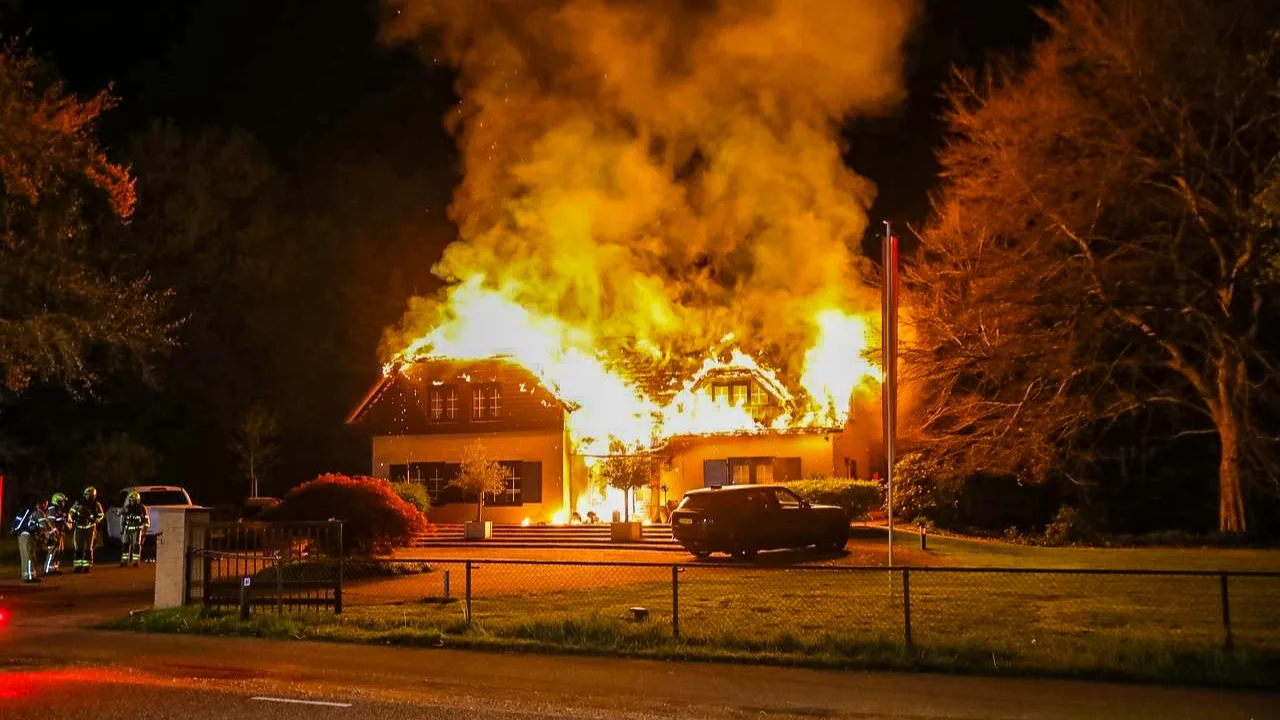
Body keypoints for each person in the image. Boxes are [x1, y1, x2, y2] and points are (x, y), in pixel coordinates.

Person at [11, 495, 51, 583]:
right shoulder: (36, 512)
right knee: (30, 556)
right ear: (42, 504)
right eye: (46, 504)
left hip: (21, 535)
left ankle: (26, 575)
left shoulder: (24, 511)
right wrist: (47, 533)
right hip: (28, 536)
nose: (46, 507)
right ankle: (30, 576)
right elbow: (43, 525)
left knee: (25, 556)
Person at [69, 486, 105, 573]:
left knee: (88, 548)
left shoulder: (96, 504)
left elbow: (101, 515)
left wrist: (96, 519)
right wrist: (71, 518)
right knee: (78, 548)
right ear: (84, 495)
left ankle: (87, 566)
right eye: (87, 495)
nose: (89, 497)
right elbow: (71, 512)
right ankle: (77, 566)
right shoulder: (78, 503)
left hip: (90, 528)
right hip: (79, 528)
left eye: (91, 495)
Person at [119, 491, 149, 567]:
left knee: (136, 546)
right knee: (125, 545)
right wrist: (122, 529)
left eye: (133, 500)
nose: (132, 501)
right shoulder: (127, 508)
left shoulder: (142, 508)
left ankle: (135, 561)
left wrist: (145, 528)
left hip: (137, 530)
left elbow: (146, 519)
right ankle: (124, 561)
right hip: (127, 529)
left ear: (137, 500)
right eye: (131, 500)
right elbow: (123, 518)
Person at [44, 492, 71, 575]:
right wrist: (55, 533)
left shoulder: (59, 510)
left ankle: (55, 568)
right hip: (54, 535)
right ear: (57, 501)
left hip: (60, 534)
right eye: (62, 501)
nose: (63, 503)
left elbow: (63, 521)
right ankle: (47, 569)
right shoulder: (52, 509)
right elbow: (51, 523)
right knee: (52, 552)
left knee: (60, 551)